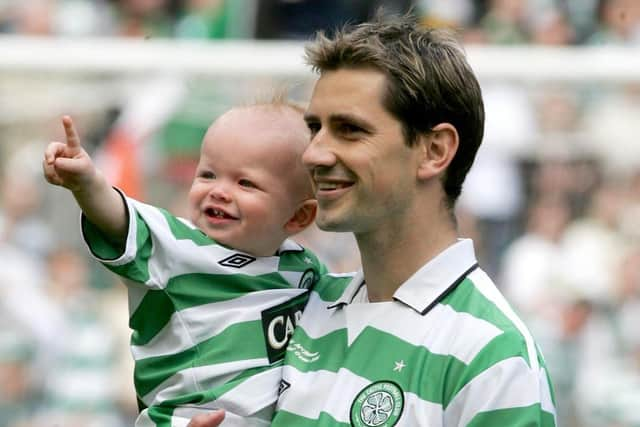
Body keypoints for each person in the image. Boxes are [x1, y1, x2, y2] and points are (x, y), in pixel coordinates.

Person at [190, 13, 557, 427]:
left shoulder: (492, 355)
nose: (313, 153)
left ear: (435, 151)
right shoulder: (301, 305)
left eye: (349, 129)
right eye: (315, 128)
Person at [42, 100, 327, 427]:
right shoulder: (178, 247)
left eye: (245, 183)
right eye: (208, 174)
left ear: (298, 216)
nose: (219, 191)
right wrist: (87, 183)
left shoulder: (305, 269)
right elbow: (121, 220)